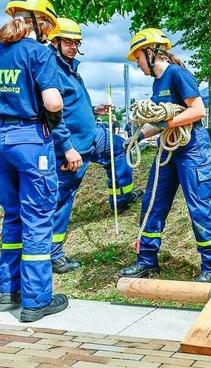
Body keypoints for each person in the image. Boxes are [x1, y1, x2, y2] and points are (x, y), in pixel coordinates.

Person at [0, 0, 68, 322]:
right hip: (28, 139)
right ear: (39, 22)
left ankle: (10, 289)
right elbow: (54, 103)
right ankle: (36, 300)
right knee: (38, 216)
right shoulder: (38, 54)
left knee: (12, 214)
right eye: (47, 24)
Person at [120, 28, 211, 283]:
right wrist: (139, 137)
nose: (138, 64)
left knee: (198, 207)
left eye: (138, 58)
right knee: (153, 203)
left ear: (151, 52)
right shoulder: (157, 83)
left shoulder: (178, 74)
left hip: (192, 149)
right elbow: (161, 118)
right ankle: (147, 261)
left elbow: (198, 111)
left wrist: (167, 126)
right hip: (168, 149)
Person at [48, 18, 142, 275]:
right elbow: (53, 115)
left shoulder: (69, 67)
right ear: (54, 42)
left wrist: (94, 110)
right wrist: (67, 148)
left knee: (120, 147)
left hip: (93, 136)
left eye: (77, 43)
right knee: (62, 199)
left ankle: (121, 197)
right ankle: (53, 254)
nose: (74, 47)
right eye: (68, 42)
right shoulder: (50, 69)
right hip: (73, 147)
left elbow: (72, 108)